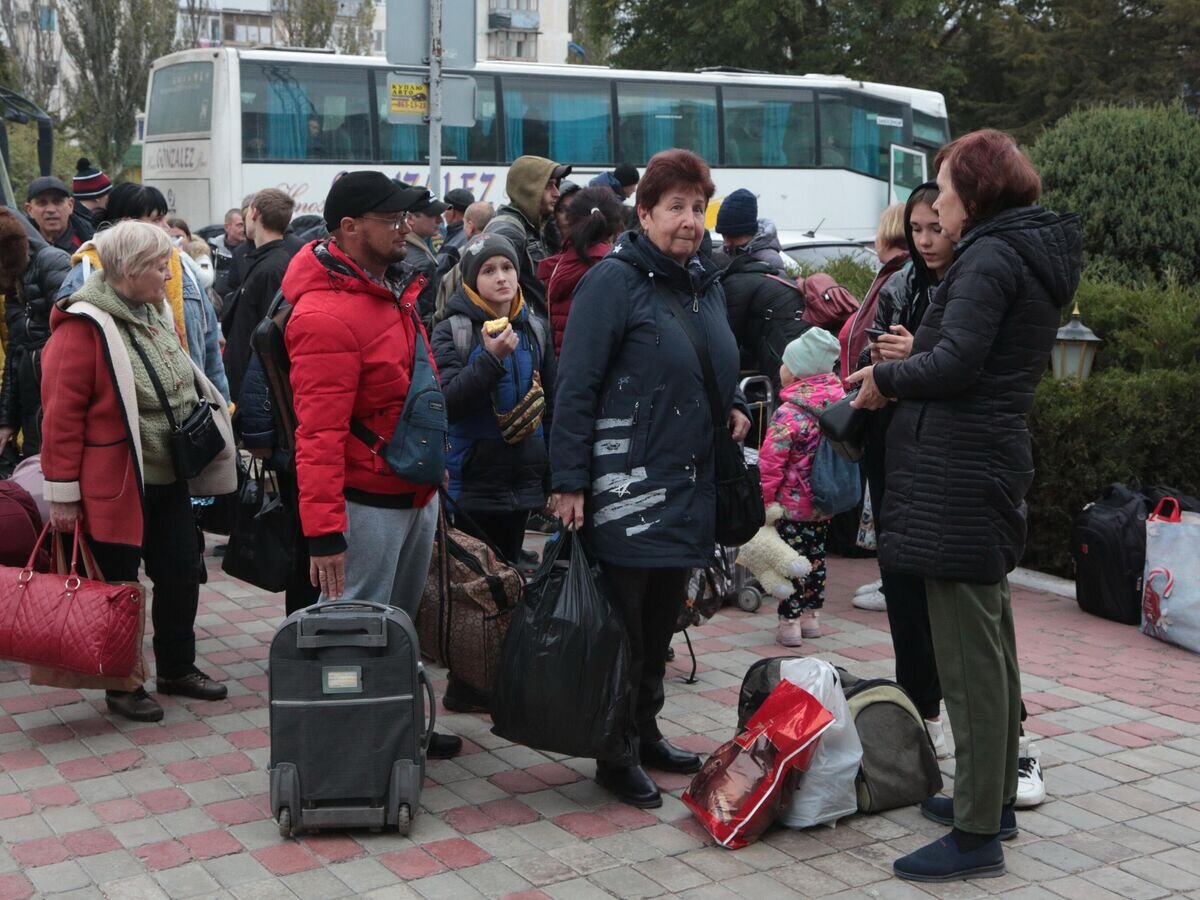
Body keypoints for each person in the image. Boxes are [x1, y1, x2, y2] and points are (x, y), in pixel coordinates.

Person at [848, 129, 1081, 882]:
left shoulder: (988, 256)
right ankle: (994, 797)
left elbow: (955, 363)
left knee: (969, 657)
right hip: (981, 464)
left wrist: (887, 378)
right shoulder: (1019, 251)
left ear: (974, 194)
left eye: (945, 189)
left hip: (960, 469)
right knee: (990, 640)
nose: (937, 204)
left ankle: (978, 831)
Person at [549, 148, 751, 809]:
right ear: (644, 213)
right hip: (625, 490)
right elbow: (575, 385)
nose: (690, 220)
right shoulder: (612, 283)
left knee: (662, 624)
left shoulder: (704, 282)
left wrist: (735, 402)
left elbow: (716, 357)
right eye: (676, 207)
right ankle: (614, 751)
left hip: (687, 483)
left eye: (699, 207)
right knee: (625, 632)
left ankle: (645, 730)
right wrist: (569, 480)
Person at [283, 171, 461, 759]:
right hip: (367, 505)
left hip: (411, 492)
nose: (405, 228)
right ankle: (344, 752)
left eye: (405, 217)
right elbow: (318, 436)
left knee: (398, 624)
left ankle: (396, 726)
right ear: (349, 227)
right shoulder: (325, 316)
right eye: (391, 219)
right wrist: (324, 534)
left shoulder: (390, 291)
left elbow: (414, 393)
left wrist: (434, 472)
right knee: (349, 631)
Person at [40, 220, 237, 722]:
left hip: (168, 478)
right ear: (128, 269)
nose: (167, 274)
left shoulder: (155, 311)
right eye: (157, 265)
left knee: (180, 573)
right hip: (113, 485)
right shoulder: (82, 326)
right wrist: (62, 495)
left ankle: (177, 668)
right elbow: (60, 419)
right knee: (118, 587)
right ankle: (122, 685)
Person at [57, 183, 231, 406]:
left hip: (193, 409)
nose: (166, 228)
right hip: (125, 412)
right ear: (129, 226)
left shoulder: (181, 266)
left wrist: (222, 407)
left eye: (165, 219)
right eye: (156, 220)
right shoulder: (87, 272)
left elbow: (210, 346)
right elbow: (71, 369)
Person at [757, 328, 845, 646]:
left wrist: (766, 502)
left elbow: (771, 463)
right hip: (823, 502)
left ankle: (790, 622)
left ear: (796, 372)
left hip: (791, 507)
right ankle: (811, 618)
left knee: (790, 562)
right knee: (816, 559)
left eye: (785, 363)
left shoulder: (789, 413)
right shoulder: (838, 406)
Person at [846, 203, 913, 612]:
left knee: (889, 499)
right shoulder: (896, 275)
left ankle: (894, 584)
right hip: (879, 394)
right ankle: (891, 579)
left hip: (885, 402)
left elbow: (881, 340)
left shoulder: (899, 278)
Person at [0, 211, 70, 461]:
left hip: (61, 401)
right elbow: (15, 351)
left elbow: (73, 334)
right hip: (34, 403)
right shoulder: (14, 283)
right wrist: (6, 421)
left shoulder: (51, 262)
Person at [720, 189, 809, 386]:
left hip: (779, 345)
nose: (725, 242)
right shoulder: (744, 255)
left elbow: (728, 334)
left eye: (728, 235)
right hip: (785, 342)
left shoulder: (761, 261)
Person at [223, 188, 300, 403]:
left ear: (255, 213)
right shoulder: (265, 261)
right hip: (249, 385)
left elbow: (270, 338)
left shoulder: (272, 267)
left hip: (255, 390)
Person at [484, 155, 570, 319]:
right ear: (528, 189)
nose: (557, 193)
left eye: (556, 185)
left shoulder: (535, 226)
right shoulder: (508, 231)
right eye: (548, 186)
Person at [540, 186, 624, 354]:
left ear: (570, 221)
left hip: (561, 364)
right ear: (616, 228)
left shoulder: (555, 267)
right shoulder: (621, 270)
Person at [433, 201, 496, 325]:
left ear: (470, 226)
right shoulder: (505, 254)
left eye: (464, 224)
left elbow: (442, 303)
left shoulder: (460, 256)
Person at [714, 189, 789, 275]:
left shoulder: (770, 260)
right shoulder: (722, 253)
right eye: (724, 235)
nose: (726, 243)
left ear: (748, 232)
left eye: (732, 236)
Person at [404, 193, 446, 326]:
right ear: (411, 218)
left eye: (440, 214)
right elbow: (423, 316)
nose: (440, 219)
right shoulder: (422, 263)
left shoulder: (398, 248)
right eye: (432, 214)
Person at [24, 176, 94, 254]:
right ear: (29, 210)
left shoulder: (92, 244)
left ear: (70, 205)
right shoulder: (20, 248)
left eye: (57, 202)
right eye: (42, 203)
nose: (51, 210)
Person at [210, 206, 247, 299]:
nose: (244, 229)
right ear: (227, 227)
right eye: (239, 225)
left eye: (245, 225)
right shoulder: (213, 248)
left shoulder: (251, 249)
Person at [437, 188, 475, 266]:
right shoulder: (473, 233)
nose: (444, 214)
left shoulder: (455, 243)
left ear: (452, 211)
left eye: (445, 209)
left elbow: (440, 269)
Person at [541, 180, 580, 255]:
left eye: (575, 209)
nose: (569, 216)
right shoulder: (537, 248)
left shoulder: (593, 252)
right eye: (561, 210)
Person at [72, 158, 113, 225]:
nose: (110, 198)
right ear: (97, 198)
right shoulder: (93, 224)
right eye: (108, 194)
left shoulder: (70, 219)